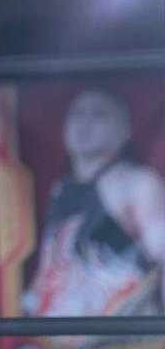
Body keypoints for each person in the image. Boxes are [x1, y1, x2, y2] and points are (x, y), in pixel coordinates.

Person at [21, 88, 165, 348]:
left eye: (98, 115)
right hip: (56, 338)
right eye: (77, 114)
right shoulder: (60, 188)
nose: (84, 122)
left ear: (124, 131)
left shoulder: (138, 184)